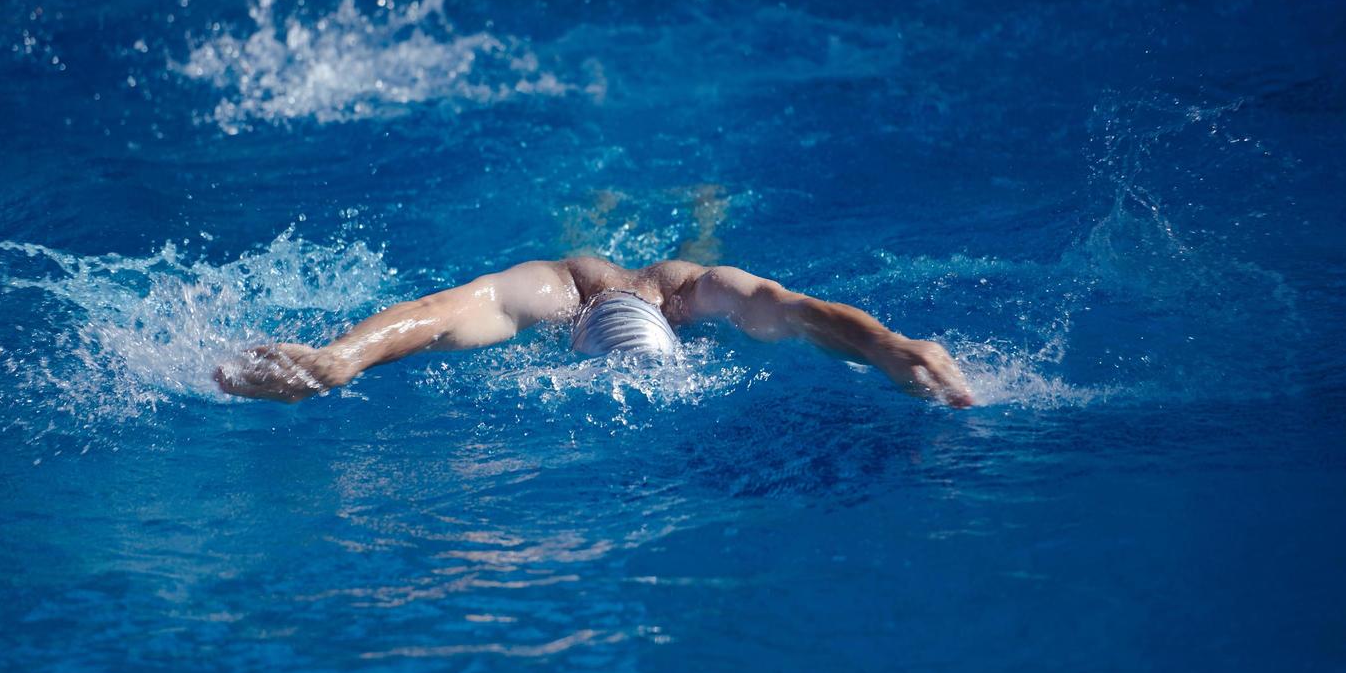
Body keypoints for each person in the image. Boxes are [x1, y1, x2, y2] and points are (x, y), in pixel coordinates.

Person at [214, 256, 975, 407]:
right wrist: (338, 358)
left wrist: (887, 345)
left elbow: (788, 305)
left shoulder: (683, 289)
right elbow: (449, 311)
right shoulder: (562, 291)